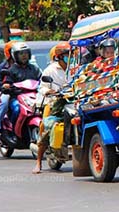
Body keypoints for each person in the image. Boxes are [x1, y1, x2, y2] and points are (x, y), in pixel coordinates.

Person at [33, 42, 70, 174]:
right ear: (59, 56)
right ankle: (38, 162)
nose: (69, 57)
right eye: (66, 55)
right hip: (54, 103)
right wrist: (49, 92)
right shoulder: (50, 70)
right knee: (46, 128)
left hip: (72, 102)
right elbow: (42, 87)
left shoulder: (75, 68)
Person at [5, 42, 42, 125]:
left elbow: (41, 79)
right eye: (21, 53)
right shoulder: (12, 70)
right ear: (15, 56)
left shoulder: (34, 68)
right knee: (17, 109)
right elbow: (7, 82)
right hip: (17, 97)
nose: (24, 55)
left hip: (34, 97)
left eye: (25, 53)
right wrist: (7, 86)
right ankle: (14, 130)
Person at [0, 40, 18, 138]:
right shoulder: (3, 66)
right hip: (8, 92)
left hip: (23, 92)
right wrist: (4, 86)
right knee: (5, 101)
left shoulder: (27, 66)